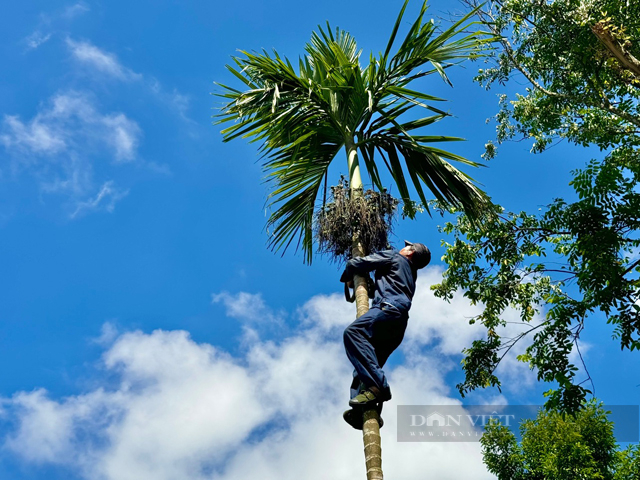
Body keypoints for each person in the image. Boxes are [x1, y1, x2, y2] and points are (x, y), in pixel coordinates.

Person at [340, 240, 431, 430]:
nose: (402, 247)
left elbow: (356, 264)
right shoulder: (410, 274)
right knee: (366, 365)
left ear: (410, 252)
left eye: (407, 246)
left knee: (353, 333)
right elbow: (384, 291)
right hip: (397, 323)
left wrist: (350, 274)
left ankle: (380, 388)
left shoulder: (393, 257)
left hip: (387, 310)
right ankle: (364, 409)